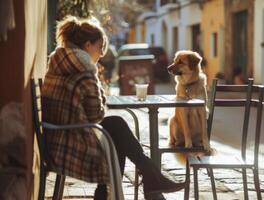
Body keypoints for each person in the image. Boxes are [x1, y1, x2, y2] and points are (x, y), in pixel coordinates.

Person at [41, 16, 185, 200]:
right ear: (87, 45)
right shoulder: (83, 69)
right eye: (100, 47)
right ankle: (149, 178)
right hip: (70, 142)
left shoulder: (59, 62)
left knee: (116, 129)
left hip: (56, 138)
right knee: (116, 132)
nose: (101, 54)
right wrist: (99, 91)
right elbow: (96, 115)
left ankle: (144, 179)